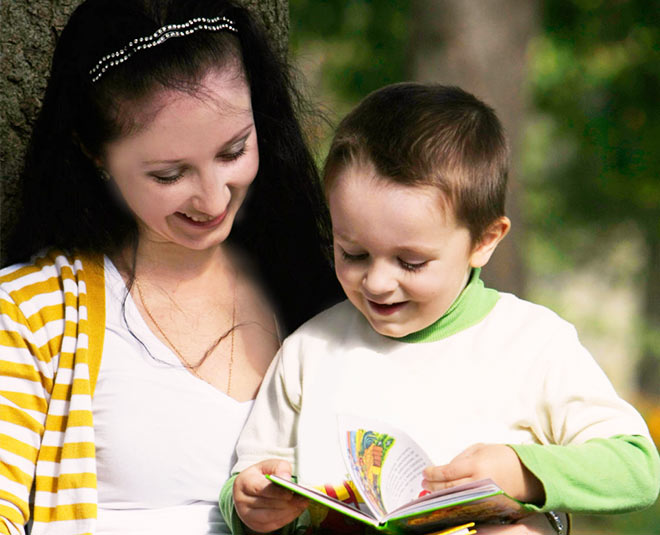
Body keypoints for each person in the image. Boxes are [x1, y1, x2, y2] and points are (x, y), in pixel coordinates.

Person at [223, 83, 660, 534]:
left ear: (484, 241)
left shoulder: (531, 343)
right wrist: (252, 505)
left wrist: (521, 473)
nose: (377, 282)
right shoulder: (310, 350)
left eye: (411, 262)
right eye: (353, 253)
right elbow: (252, 476)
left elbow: (636, 469)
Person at [0, 0, 344, 533]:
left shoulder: (328, 294)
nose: (213, 198)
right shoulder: (31, 314)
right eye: (169, 175)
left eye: (233, 152)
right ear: (93, 152)